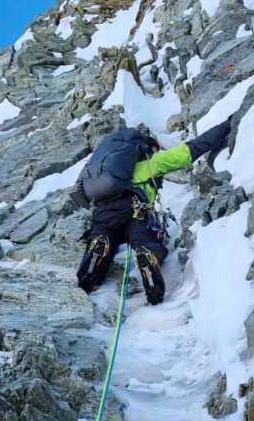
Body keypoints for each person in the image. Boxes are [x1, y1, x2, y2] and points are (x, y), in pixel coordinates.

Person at [73, 118, 232, 304]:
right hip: (135, 210)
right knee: (146, 240)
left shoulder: (109, 170)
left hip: (104, 211)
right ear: (146, 149)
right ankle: (146, 256)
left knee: (104, 236)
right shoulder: (151, 163)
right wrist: (226, 126)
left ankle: (97, 251)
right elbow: (188, 151)